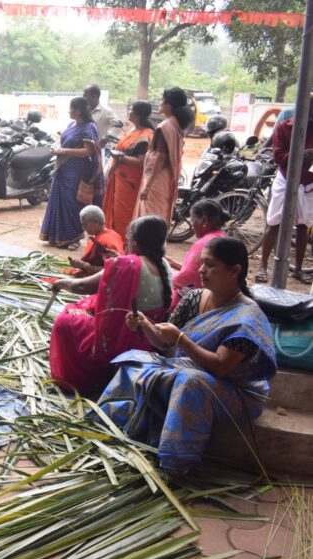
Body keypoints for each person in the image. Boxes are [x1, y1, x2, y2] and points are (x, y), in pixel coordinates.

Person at [99, 237, 276, 475]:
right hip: (189, 368)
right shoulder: (194, 298)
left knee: (189, 382)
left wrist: (181, 339)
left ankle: (175, 464)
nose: (201, 270)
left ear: (235, 271)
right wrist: (144, 325)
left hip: (236, 391)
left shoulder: (246, 318)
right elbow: (164, 342)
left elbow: (221, 368)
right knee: (132, 363)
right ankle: (110, 429)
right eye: (201, 262)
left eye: (210, 265)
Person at [48, 216, 172, 395]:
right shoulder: (164, 264)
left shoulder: (127, 265)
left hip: (127, 336)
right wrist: (120, 260)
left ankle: (78, 379)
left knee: (65, 320)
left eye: (128, 239)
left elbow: (81, 286)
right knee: (90, 303)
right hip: (148, 337)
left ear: (135, 242)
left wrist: (60, 282)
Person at [256, 96, 313, 285]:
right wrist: (303, 154)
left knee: (303, 225)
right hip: (285, 179)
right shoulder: (284, 128)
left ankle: (297, 269)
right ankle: (263, 266)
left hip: (308, 183)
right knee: (274, 223)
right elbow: (279, 156)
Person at [39, 97, 103, 250]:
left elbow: (89, 150)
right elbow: (64, 142)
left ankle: (74, 237)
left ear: (78, 111)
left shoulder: (89, 127)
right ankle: (57, 236)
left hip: (77, 171)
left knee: (72, 204)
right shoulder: (71, 125)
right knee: (58, 202)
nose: (69, 111)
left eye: (71, 109)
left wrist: (64, 151)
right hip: (63, 169)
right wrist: (57, 149)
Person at [134, 87, 192, 223]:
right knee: (159, 214)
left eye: (162, 101)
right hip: (167, 178)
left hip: (156, 179)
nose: (160, 103)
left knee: (149, 218)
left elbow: (159, 158)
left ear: (169, 105)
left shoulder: (164, 127)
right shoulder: (176, 125)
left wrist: (147, 187)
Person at [103, 101, 154, 239]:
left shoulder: (145, 135)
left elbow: (141, 161)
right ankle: (115, 241)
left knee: (124, 214)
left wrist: (121, 158)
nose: (128, 112)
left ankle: (124, 244)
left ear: (138, 115)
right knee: (115, 211)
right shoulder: (133, 130)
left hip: (130, 182)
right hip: (119, 178)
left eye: (131, 110)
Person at [168, 199, 228, 309]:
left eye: (192, 221)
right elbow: (198, 271)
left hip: (197, 302)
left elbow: (185, 280)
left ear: (204, 221)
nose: (191, 225)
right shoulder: (221, 237)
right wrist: (173, 263)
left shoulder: (204, 244)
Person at [67, 205, 124, 277]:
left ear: (96, 221)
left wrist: (87, 267)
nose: (83, 228)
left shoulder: (105, 242)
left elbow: (114, 271)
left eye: (85, 225)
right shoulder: (113, 234)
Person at [83, 85, 121, 152]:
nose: (83, 98)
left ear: (94, 96)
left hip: (96, 149)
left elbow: (118, 125)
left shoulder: (106, 111)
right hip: (82, 148)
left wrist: (105, 139)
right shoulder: (84, 109)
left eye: (85, 95)